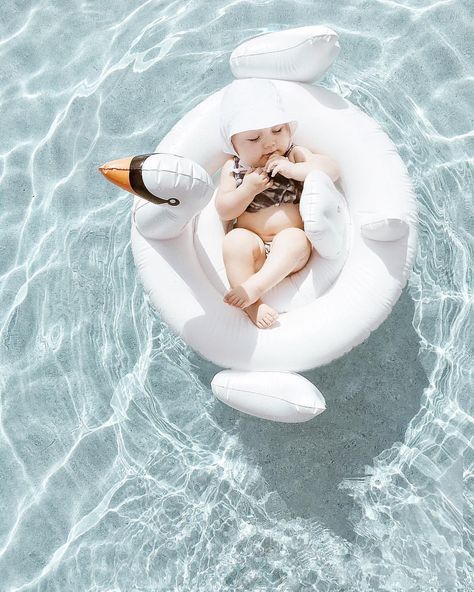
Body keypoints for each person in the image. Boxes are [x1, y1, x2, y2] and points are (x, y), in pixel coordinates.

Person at [216, 78, 341, 329]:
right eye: (253, 139)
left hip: (291, 249)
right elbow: (224, 209)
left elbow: (331, 170)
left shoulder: (293, 155)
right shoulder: (234, 168)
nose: (270, 143)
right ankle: (254, 306)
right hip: (254, 248)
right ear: (234, 145)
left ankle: (255, 287)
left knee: (294, 237)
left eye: (277, 130)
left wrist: (294, 170)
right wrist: (248, 189)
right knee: (234, 241)